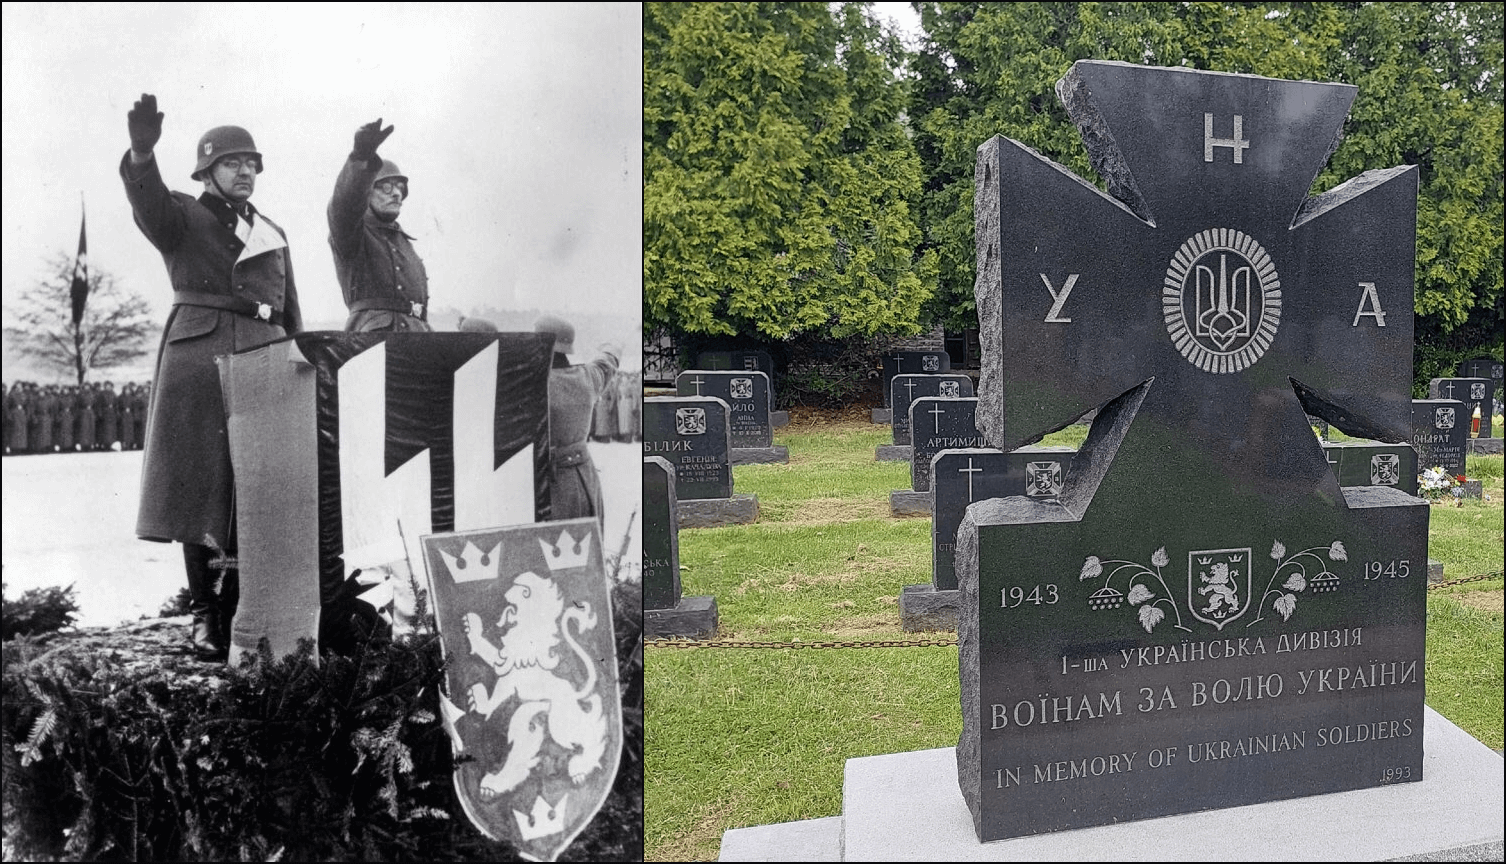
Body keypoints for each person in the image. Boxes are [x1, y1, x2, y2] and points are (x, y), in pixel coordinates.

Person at [120, 93, 302, 661]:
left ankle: (247, 607)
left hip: (265, 355)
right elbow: (146, 205)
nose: (245, 171)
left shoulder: (271, 229)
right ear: (206, 171)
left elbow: (289, 304)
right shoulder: (182, 215)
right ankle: (205, 613)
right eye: (232, 163)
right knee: (204, 487)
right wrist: (142, 154)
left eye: (251, 163)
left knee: (259, 487)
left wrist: (298, 357)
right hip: (200, 356)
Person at [328, 118, 430, 332]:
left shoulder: (404, 241)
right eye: (386, 187)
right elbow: (345, 204)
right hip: (371, 343)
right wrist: (360, 157)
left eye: (400, 188)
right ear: (367, 192)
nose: (396, 193)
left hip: (418, 339)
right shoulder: (352, 233)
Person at [533, 314, 619, 522]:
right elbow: (607, 362)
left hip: (544, 483)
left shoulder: (530, 385)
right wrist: (610, 347)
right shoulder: (588, 377)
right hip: (584, 478)